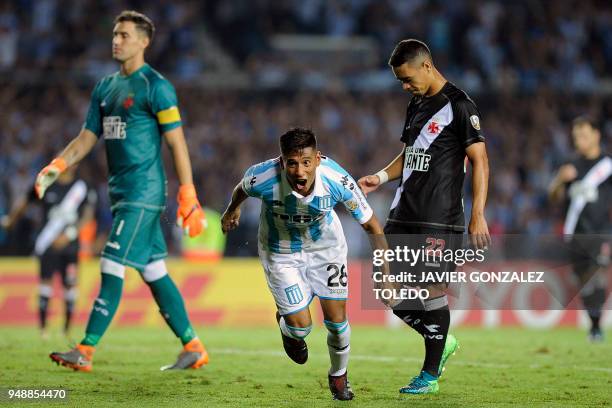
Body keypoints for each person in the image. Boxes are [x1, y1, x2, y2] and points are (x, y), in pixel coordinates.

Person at [40, 10, 208, 372]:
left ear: (144, 42)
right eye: (115, 34)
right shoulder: (105, 88)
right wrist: (57, 165)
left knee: (110, 261)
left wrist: (188, 194)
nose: (116, 41)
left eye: (125, 35)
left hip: (143, 194)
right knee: (154, 270)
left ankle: (85, 349)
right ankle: (193, 346)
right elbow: (86, 139)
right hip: (120, 196)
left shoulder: (156, 87)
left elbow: (177, 143)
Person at [358, 39, 491, 395]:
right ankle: (441, 339)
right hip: (404, 211)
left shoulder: (460, 105)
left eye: (406, 78)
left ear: (426, 66)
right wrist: (381, 177)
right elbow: (410, 153)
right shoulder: (416, 103)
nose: (404, 86)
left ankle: (430, 376)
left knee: (431, 289)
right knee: (382, 286)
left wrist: (478, 213)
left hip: (440, 217)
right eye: (400, 80)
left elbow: (480, 160)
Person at [221, 127, 385, 400]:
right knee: (300, 328)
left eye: (306, 163)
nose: (300, 172)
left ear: (318, 159)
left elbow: (372, 224)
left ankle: (339, 375)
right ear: (281, 161)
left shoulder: (337, 180)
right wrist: (232, 209)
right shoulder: (262, 177)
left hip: (326, 250)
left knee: (337, 321)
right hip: (280, 252)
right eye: (292, 163)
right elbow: (242, 188)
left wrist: (385, 269)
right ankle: (288, 327)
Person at [1, 167, 95, 339]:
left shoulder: (82, 187)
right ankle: (43, 329)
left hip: (71, 246)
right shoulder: (46, 184)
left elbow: (88, 214)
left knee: (70, 286)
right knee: (45, 284)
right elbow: (25, 201)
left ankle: (67, 329)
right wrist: (11, 220)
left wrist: (69, 234)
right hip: (48, 244)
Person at [549, 116, 611, 342]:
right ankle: (594, 324)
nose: (579, 141)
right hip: (575, 232)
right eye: (576, 137)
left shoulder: (607, 165)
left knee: (597, 274)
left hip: (600, 231)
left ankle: (596, 326)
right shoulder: (570, 165)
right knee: (583, 279)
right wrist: (559, 180)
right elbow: (553, 197)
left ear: (596, 134)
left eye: (584, 135)